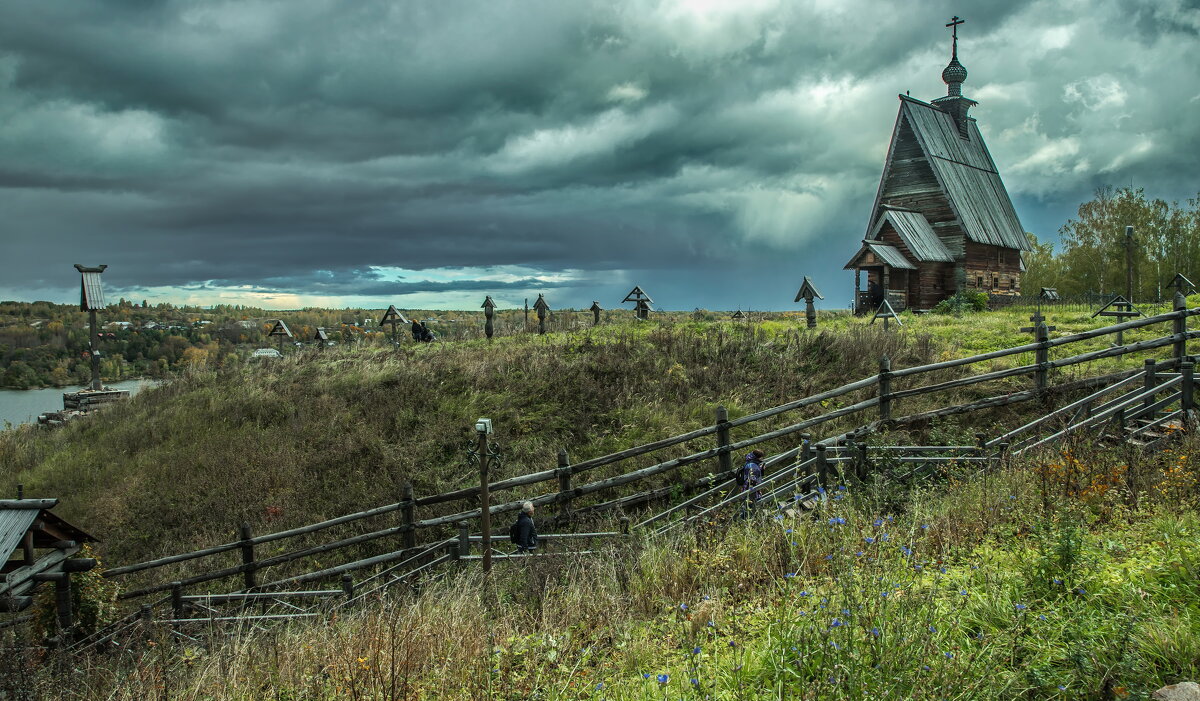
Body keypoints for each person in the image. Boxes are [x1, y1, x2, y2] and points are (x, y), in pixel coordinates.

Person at [738, 450, 765, 518]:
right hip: (751, 489)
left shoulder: (750, 462)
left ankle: (747, 519)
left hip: (747, 487)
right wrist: (757, 489)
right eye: (761, 457)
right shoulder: (753, 465)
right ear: (757, 457)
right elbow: (752, 478)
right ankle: (746, 519)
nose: (762, 459)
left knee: (747, 506)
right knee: (750, 506)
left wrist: (761, 469)